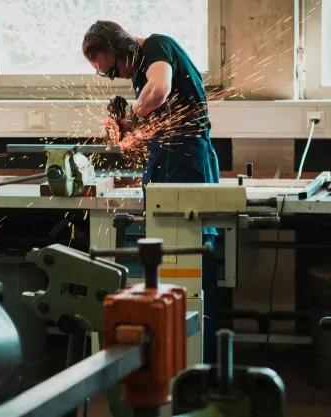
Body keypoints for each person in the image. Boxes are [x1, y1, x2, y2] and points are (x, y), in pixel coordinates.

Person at [82, 20, 221, 362]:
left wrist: (131, 117)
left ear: (121, 47)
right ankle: (172, 349)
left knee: (194, 254)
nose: (116, 75)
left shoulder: (157, 47)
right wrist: (128, 126)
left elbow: (158, 91)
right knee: (167, 255)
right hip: (165, 157)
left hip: (188, 159)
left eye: (113, 68)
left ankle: (200, 355)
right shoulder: (136, 69)